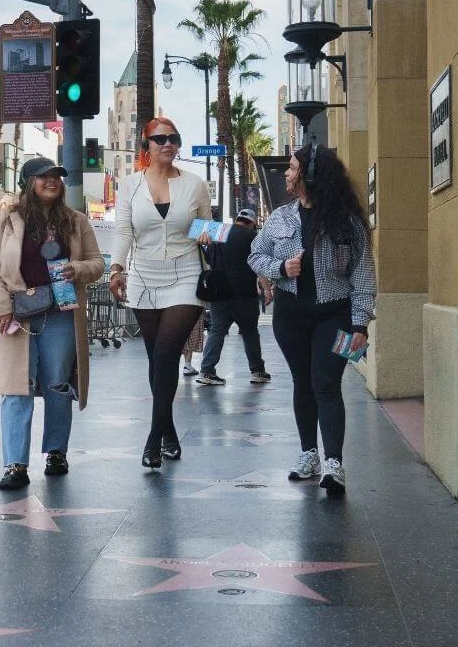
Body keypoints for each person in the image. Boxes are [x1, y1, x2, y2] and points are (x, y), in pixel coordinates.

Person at [248, 143, 375, 496]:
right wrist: (280, 269)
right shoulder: (280, 218)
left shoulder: (347, 223)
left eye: (292, 168)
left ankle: (334, 462)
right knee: (302, 382)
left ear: (311, 176)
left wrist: (360, 325)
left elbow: (363, 276)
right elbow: (255, 255)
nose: (287, 174)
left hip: (335, 316)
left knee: (326, 383)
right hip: (289, 317)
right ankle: (309, 454)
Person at [0, 157, 105, 490]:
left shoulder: (75, 221)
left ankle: (56, 453)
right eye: (44, 177)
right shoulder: (7, 219)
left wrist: (77, 269)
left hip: (61, 312)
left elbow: (97, 263)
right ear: (27, 182)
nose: (52, 181)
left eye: (57, 177)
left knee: (57, 385)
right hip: (17, 314)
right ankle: (15, 464)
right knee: (16, 388)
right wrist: (1, 305)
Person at [110, 117, 213, 469]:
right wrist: (117, 267)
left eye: (174, 138)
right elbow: (124, 230)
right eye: (160, 139)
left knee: (167, 355)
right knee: (156, 359)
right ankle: (168, 430)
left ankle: (153, 439)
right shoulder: (130, 185)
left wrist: (208, 233)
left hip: (186, 272)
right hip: (143, 276)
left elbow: (208, 226)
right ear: (146, 147)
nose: (168, 144)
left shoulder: (195, 184)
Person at [196, 208, 272, 385]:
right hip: (244, 294)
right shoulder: (252, 236)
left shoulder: (219, 232)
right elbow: (258, 265)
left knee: (216, 330)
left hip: (219, 292)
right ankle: (257, 371)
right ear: (252, 223)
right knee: (250, 332)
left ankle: (207, 371)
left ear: (237, 219)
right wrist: (267, 289)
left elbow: (209, 259)